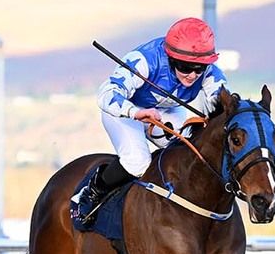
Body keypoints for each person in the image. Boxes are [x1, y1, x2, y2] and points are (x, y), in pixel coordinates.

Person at [71, 16, 230, 225]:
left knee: (192, 156)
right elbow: (106, 94)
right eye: (184, 66)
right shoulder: (144, 60)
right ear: (171, 58)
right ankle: (93, 191)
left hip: (164, 111)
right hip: (125, 111)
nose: (192, 75)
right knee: (138, 162)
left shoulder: (210, 72)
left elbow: (222, 105)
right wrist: (135, 113)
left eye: (199, 68)